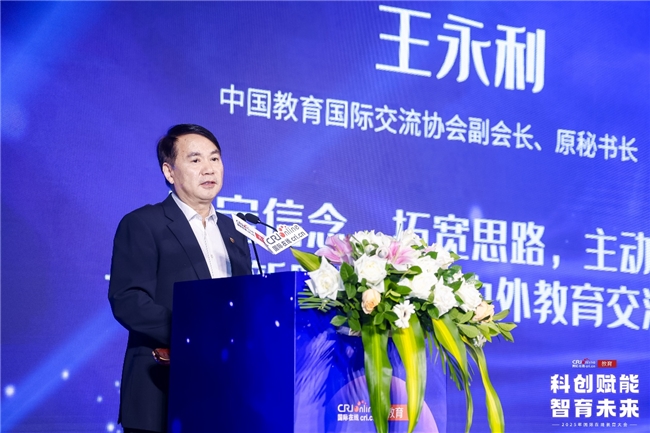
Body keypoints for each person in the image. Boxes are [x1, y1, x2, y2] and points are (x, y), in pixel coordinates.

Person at [108, 124, 252, 433]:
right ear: (169, 171)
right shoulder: (144, 223)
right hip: (162, 388)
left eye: (215, 158)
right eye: (195, 160)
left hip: (225, 392)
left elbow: (242, 303)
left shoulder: (236, 232)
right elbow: (128, 300)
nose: (208, 169)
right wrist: (195, 334)